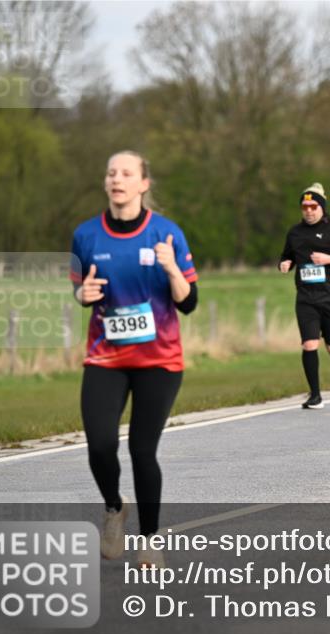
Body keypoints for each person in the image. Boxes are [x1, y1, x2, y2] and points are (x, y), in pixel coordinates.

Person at [71, 151, 199, 569]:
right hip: (106, 357)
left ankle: (150, 538)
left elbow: (190, 303)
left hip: (159, 360)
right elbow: (81, 290)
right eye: (111, 172)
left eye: (127, 173)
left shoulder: (166, 234)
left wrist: (172, 270)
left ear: (144, 184)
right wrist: (81, 296)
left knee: (143, 450)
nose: (117, 178)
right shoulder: (86, 236)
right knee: (100, 445)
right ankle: (113, 508)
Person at [280, 183, 330, 407]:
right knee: (309, 344)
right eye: (304, 206)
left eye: (313, 206)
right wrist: (286, 263)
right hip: (306, 298)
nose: (308, 210)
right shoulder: (295, 233)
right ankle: (315, 395)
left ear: (322, 208)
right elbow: (287, 256)